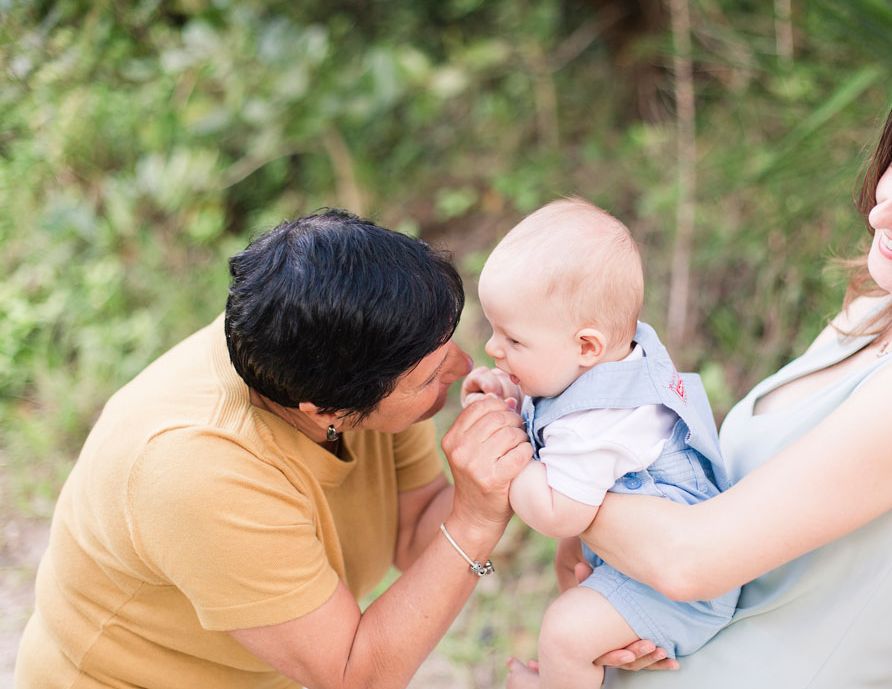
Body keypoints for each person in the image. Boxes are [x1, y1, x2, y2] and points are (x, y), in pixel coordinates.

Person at [465, 60, 892, 688]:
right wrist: (619, 580)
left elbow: (690, 560)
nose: (884, 213)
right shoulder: (878, 310)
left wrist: (532, 465)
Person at [15, 209, 533, 689]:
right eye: (428, 378)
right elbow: (354, 673)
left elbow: (416, 532)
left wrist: (509, 457)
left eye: (447, 346)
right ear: (325, 411)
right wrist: (474, 520)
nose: (464, 367)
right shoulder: (199, 472)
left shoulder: (360, 340)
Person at [469, 198, 738, 689]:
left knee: (564, 632)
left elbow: (558, 513)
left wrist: (510, 453)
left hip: (679, 586)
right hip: (638, 555)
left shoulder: (600, 419)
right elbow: (548, 405)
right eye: (494, 330)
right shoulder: (610, 362)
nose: (492, 347)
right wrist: (508, 392)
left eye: (513, 340)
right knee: (571, 578)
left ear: (586, 346)